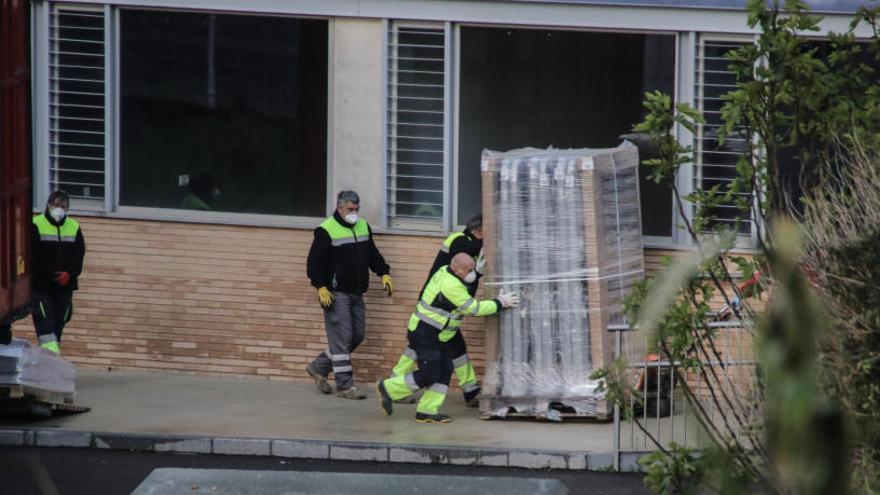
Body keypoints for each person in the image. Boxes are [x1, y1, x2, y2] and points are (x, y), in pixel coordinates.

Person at [376, 253, 519, 423]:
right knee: (430, 373)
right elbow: (473, 308)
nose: (471, 273)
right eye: (469, 270)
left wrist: (477, 274)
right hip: (426, 333)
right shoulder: (450, 285)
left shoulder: (446, 271)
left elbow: (464, 285)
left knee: (444, 371)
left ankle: (427, 411)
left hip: (440, 334)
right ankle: (389, 389)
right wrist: (500, 303)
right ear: (457, 270)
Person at [389, 213, 486, 406]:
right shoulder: (460, 240)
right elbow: (466, 256)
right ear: (478, 231)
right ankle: (394, 387)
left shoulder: (467, 241)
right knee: (423, 348)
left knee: (450, 347)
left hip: (447, 305)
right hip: (437, 306)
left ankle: (470, 389)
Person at [306, 190, 393, 400]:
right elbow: (314, 263)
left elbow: (371, 253)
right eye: (350, 209)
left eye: (356, 209)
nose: (354, 213)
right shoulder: (326, 230)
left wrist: (384, 272)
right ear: (340, 207)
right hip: (335, 293)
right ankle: (345, 386)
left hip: (356, 292)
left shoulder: (362, 226)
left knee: (357, 336)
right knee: (342, 338)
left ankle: (319, 366)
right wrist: (321, 287)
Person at [30, 191, 86, 354]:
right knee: (45, 323)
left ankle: (49, 360)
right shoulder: (36, 224)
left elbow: (79, 254)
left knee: (59, 324)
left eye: (63, 206)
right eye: (56, 205)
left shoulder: (74, 226)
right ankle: (49, 359)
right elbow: (32, 255)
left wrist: (69, 273)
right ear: (49, 205)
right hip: (41, 286)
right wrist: (51, 274)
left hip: (65, 286)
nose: (59, 209)